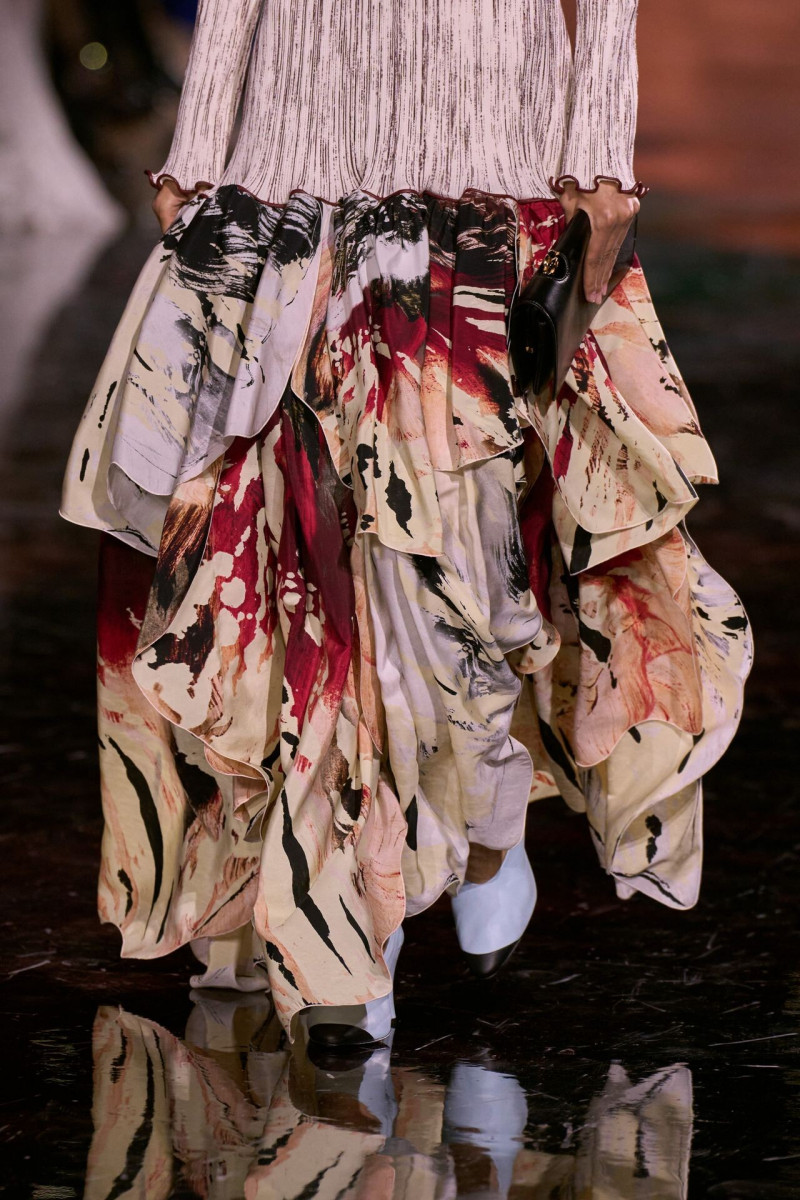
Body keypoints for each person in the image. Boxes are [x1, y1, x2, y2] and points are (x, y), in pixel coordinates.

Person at [60, 0, 753, 1050]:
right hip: (291, 139)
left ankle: (486, 817)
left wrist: (601, 150)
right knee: (296, 550)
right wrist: (197, 148)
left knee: (463, 552)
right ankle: (345, 922)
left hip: (487, 125)